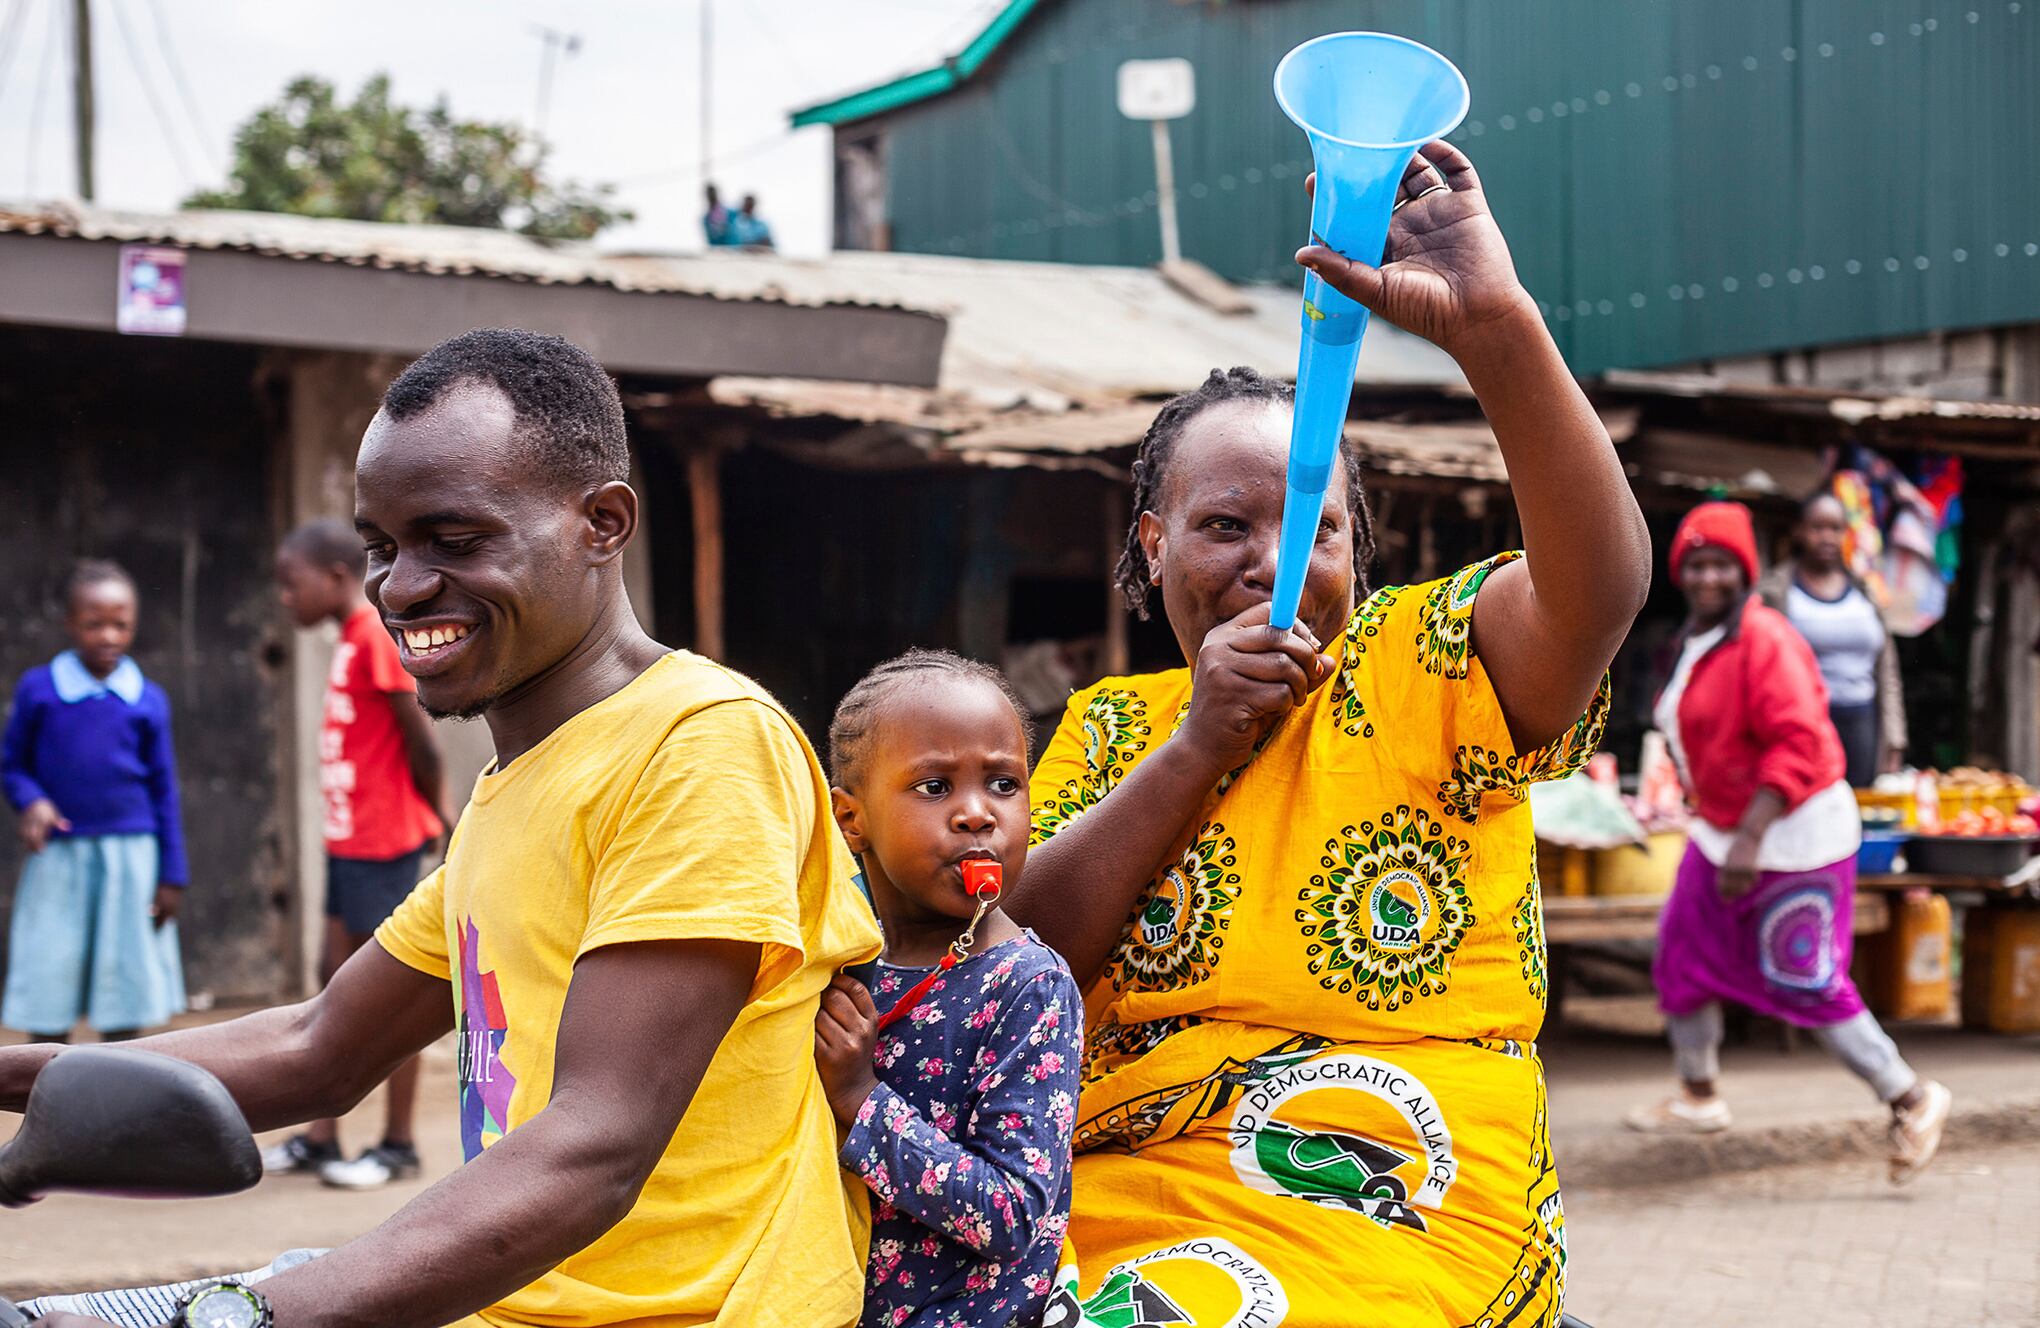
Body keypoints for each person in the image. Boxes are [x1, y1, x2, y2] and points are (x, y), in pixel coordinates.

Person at [5, 328, 883, 1328]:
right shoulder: (517, 789)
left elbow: (596, 1144)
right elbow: (318, 1043)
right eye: (382, 547)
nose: (401, 585)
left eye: (454, 541)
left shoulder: (701, 746)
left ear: (603, 521)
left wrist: (218, 1311)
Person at [1010, 142, 1651, 1327]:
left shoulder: (1424, 665)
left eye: (1319, 525)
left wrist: (1494, 327)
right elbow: (1026, 961)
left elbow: (1597, 590)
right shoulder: (1111, 731)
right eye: (1223, 524)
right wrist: (1199, 742)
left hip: (1401, 1181)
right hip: (1128, 1191)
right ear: (1153, 550)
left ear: (1361, 550)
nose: (1278, 559)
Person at [1628, 500, 1951, 1185]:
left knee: (1804, 980)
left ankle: (1912, 1098)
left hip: (1791, 835)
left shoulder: (1767, 639)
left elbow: (1799, 741)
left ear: (1746, 573)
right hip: (1723, 832)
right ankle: (1699, 1095)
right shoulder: (1698, 637)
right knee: (1682, 950)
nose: (1708, 577)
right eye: (1696, 564)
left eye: (1722, 565)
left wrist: (1748, 841)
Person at [814, 650, 1082, 1328]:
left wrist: (859, 1098)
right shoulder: (833, 958)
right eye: (935, 788)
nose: (977, 814)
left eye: (1002, 784)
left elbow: (1013, 1213)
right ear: (852, 820)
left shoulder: (1028, 988)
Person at [265, 518, 447, 1190]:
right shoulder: (347, 640)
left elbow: (419, 738)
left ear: (337, 578)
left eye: (293, 584)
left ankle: (398, 1144)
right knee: (331, 977)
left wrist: (445, 812)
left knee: (390, 997)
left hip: (383, 841)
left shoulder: (374, 635)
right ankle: (321, 1137)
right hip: (349, 842)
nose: (286, 598)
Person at [2, 560, 186, 1045]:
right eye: (94, 624)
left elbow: (164, 788)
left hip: (132, 860)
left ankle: (116, 1100)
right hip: (60, 857)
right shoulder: (39, 690)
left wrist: (172, 875)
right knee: (49, 981)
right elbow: (11, 765)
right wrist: (32, 801)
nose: (109, 636)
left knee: (125, 990)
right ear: (69, 624)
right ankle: (49, 1101)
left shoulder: (146, 699)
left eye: (120, 624)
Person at [1757, 491, 1907, 785]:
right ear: (1799, 532)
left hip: (1863, 722)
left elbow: (1888, 672)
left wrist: (1895, 738)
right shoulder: (1776, 591)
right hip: (1801, 725)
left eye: (1835, 528)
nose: (1827, 537)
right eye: (1817, 527)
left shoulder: (1865, 591)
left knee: (1859, 814)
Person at [701, 182, 735, 246]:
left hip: (732, 249)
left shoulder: (730, 213)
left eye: (712, 193)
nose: (711, 196)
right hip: (717, 250)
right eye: (709, 194)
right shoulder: (706, 218)